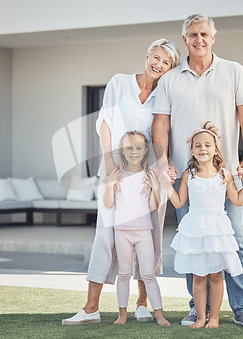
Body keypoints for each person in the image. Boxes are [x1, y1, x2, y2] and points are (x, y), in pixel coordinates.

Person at [152, 14, 243, 328]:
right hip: (187, 176)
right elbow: (160, 124)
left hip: (224, 175)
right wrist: (162, 162)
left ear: (213, 37)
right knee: (193, 243)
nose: (198, 40)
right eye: (192, 35)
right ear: (185, 39)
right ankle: (197, 309)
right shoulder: (170, 79)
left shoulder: (233, 71)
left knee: (236, 241)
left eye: (204, 34)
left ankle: (242, 307)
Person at [62, 39, 181, 325]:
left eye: (166, 62)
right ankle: (91, 308)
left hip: (149, 174)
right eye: (156, 57)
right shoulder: (119, 82)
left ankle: (142, 304)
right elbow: (105, 121)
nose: (158, 65)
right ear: (147, 56)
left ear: (171, 69)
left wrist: (163, 170)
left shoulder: (166, 95)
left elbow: (165, 133)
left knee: (149, 236)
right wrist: (111, 163)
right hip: (115, 170)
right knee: (105, 235)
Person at [168, 122, 243, 328]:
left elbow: (238, 200)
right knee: (198, 275)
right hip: (196, 228)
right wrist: (167, 185)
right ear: (192, 150)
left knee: (215, 275)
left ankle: (214, 318)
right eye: (198, 146)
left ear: (215, 149)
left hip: (217, 229)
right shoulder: (189, 175)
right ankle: (200, 317)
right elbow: (179, 202)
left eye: (207, 145)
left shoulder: (225, 174)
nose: (203, 149)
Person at [103, 131, 170, 326]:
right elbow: (108, 203)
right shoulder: (115, 175)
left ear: (145, 150)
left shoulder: (149, 175)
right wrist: (109, 185)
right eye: (129, 148)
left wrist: (155, 188)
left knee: (148, 274)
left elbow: (152, 208)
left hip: (143, 233)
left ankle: (159, 315)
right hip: (122, 232)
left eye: (138, 148)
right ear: (122, 152)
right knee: (124, 274)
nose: (134, 152)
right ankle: (122, 315)